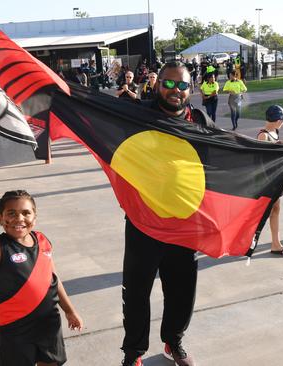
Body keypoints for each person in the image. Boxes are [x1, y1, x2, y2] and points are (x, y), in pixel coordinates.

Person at [121, 61, 214, 366]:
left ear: (191, 88)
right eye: (169, 84)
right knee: (137, 293)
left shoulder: (198, 118)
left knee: (182, 291)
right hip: (143, 222)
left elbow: (226, 150)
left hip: (185, 223)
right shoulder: (138, 115)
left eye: (183, 85)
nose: (176, 91)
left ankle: (173, 343)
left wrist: (271, 148)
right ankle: (134, 353)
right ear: (157, 84)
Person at [0, 190, 83, 366]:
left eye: (26, 213)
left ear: (35, 216)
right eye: (11, 213)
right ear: (0, 218)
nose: (19, 218)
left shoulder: (42, 241)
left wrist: (70, 310)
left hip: (48, 323)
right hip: (15, 330)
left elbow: (53, 279)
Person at [257, 105, 283, 257]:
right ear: (277, 120)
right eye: (282, 120)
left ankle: (276, 243)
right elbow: (263, 157)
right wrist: (279, 144)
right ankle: (273, 243)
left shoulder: (275, 132)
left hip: (275, 178)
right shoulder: (263, 135)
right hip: (267, 179)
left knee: (275, 209)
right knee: (263, 212)